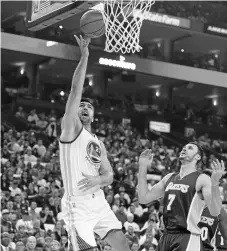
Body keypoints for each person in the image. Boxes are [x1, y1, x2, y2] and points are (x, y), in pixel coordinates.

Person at [59, 35, 130, 251]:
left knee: (121, 244)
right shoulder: (70, 128)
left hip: (98, 202)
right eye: (81, 105)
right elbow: (74, 90)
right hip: (77, 204)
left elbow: (109, 176)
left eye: (88, 106)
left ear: (94, 115)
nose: (84, 107)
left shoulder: (99, 143)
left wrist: (98, 179)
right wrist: (85, 57)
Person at [138, 143, 225, 251]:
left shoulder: (202, 179)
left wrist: (215, 183)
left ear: (198, 156)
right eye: (184, 147)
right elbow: (143, 198)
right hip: (166, 236)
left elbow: (215, 211)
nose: (184, 148)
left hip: (187, 236)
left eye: (190, 148)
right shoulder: (169, 178)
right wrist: (142, 167)